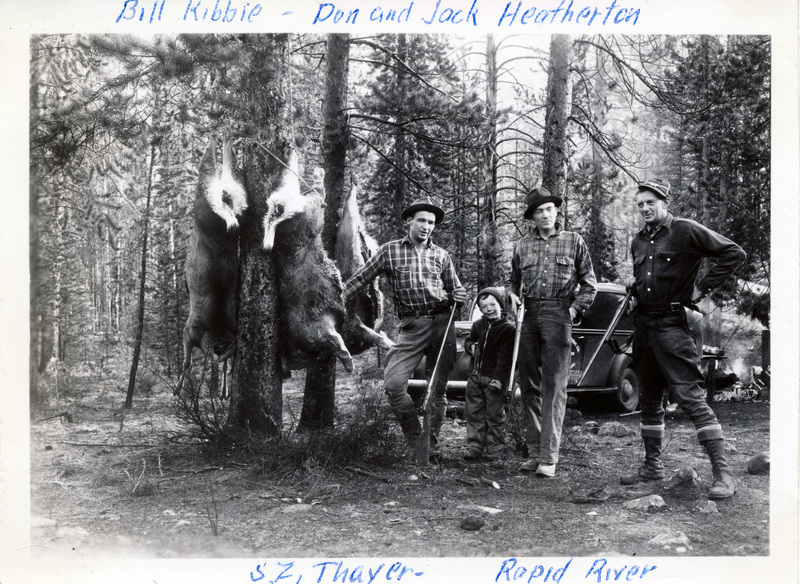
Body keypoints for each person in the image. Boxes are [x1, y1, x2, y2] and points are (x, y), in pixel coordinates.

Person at [622, 178, 746, 499]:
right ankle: (653, 465)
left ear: (664, 203)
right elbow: (645, 279)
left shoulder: (685, 231)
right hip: (644, 327)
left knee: (690, 398)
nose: (645, 208)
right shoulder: (638, 241)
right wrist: (635, 294)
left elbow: (733, 253)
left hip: (674, 326)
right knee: (649, 397)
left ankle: (723, 474)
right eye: (640, 204)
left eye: (651, 203)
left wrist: (702, 287)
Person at [343, 196, 467, 461]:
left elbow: (455, 289)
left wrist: (459, 295)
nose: (426, 226)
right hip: (411, 326)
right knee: (394, 385)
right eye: (421, 220)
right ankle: (415, 438)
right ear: (409, 221)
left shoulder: (441, 255)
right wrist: (336, 300)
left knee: (438, 390)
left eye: (431, 222)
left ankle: (429, 446)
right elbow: (361, 278)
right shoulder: (390, 251)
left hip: (443, 323)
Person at [507, 187, 597, 478]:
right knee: (529, 386)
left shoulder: (574, 241)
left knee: (555, 387)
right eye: (538, 211)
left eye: (549, 209)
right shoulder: (522, 246)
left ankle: (549, 457)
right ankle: (534, 452)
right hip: (529, 315)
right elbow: (513, 281)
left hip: (560, 314)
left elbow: (590, 284)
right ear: (532, 217)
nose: (545, 215)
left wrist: (572, 311)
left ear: (556, 211)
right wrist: (512, 295)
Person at [462, 287, 516, 462]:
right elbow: (469, 340)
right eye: (484, 306)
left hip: (494, 379)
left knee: (494, 415)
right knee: (473, 412)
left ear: (500, 305)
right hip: (475, 377)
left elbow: (505, 359)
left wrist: (499, 379)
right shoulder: (478, 325)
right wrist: (470, 347)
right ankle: (474, 446)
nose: (489, 309)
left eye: (493, 304)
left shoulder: (508, 329)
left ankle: (495, 448)